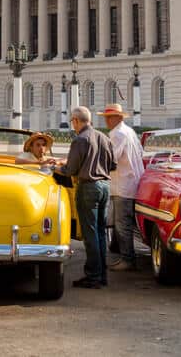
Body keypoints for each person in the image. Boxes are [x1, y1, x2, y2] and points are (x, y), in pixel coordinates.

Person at [60, 106, 115, 289]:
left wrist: (55, 168)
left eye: (72, 121)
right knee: (100, 233)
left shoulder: (80, 140)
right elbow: (113, 165)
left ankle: (93, 276)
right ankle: (101, 275)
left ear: (76, 120)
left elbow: (71, 170)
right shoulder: (104, 137)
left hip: (88, 188)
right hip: (105, 186)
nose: (72, 125)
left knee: (90, 234)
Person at [102, 104, 144, 271]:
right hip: (132, 181)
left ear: (117, 118)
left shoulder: (117, 134)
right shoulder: (129, 131)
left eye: (109, 117)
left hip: (123, 185)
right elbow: (140, 152)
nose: (106, 120)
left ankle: (127, 259)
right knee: (122, 221)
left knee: (122, 224)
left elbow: (111, 160)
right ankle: (119, 250)